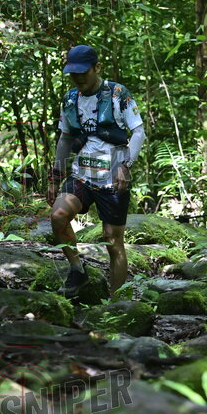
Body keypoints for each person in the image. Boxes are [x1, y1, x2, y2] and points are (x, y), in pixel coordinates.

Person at [47, 45, 146, 298]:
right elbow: (65, 138)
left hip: (112, 179)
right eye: (73, 73)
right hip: (82, 175)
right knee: (58, 216)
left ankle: (116, 301)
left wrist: (126, 166)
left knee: (113, 241)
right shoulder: (70, 99)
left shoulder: (117, 94)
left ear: (97, 68)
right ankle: (77, 271)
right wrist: (55, 176)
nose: (78, 78)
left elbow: (138, 131)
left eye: (84, 72)